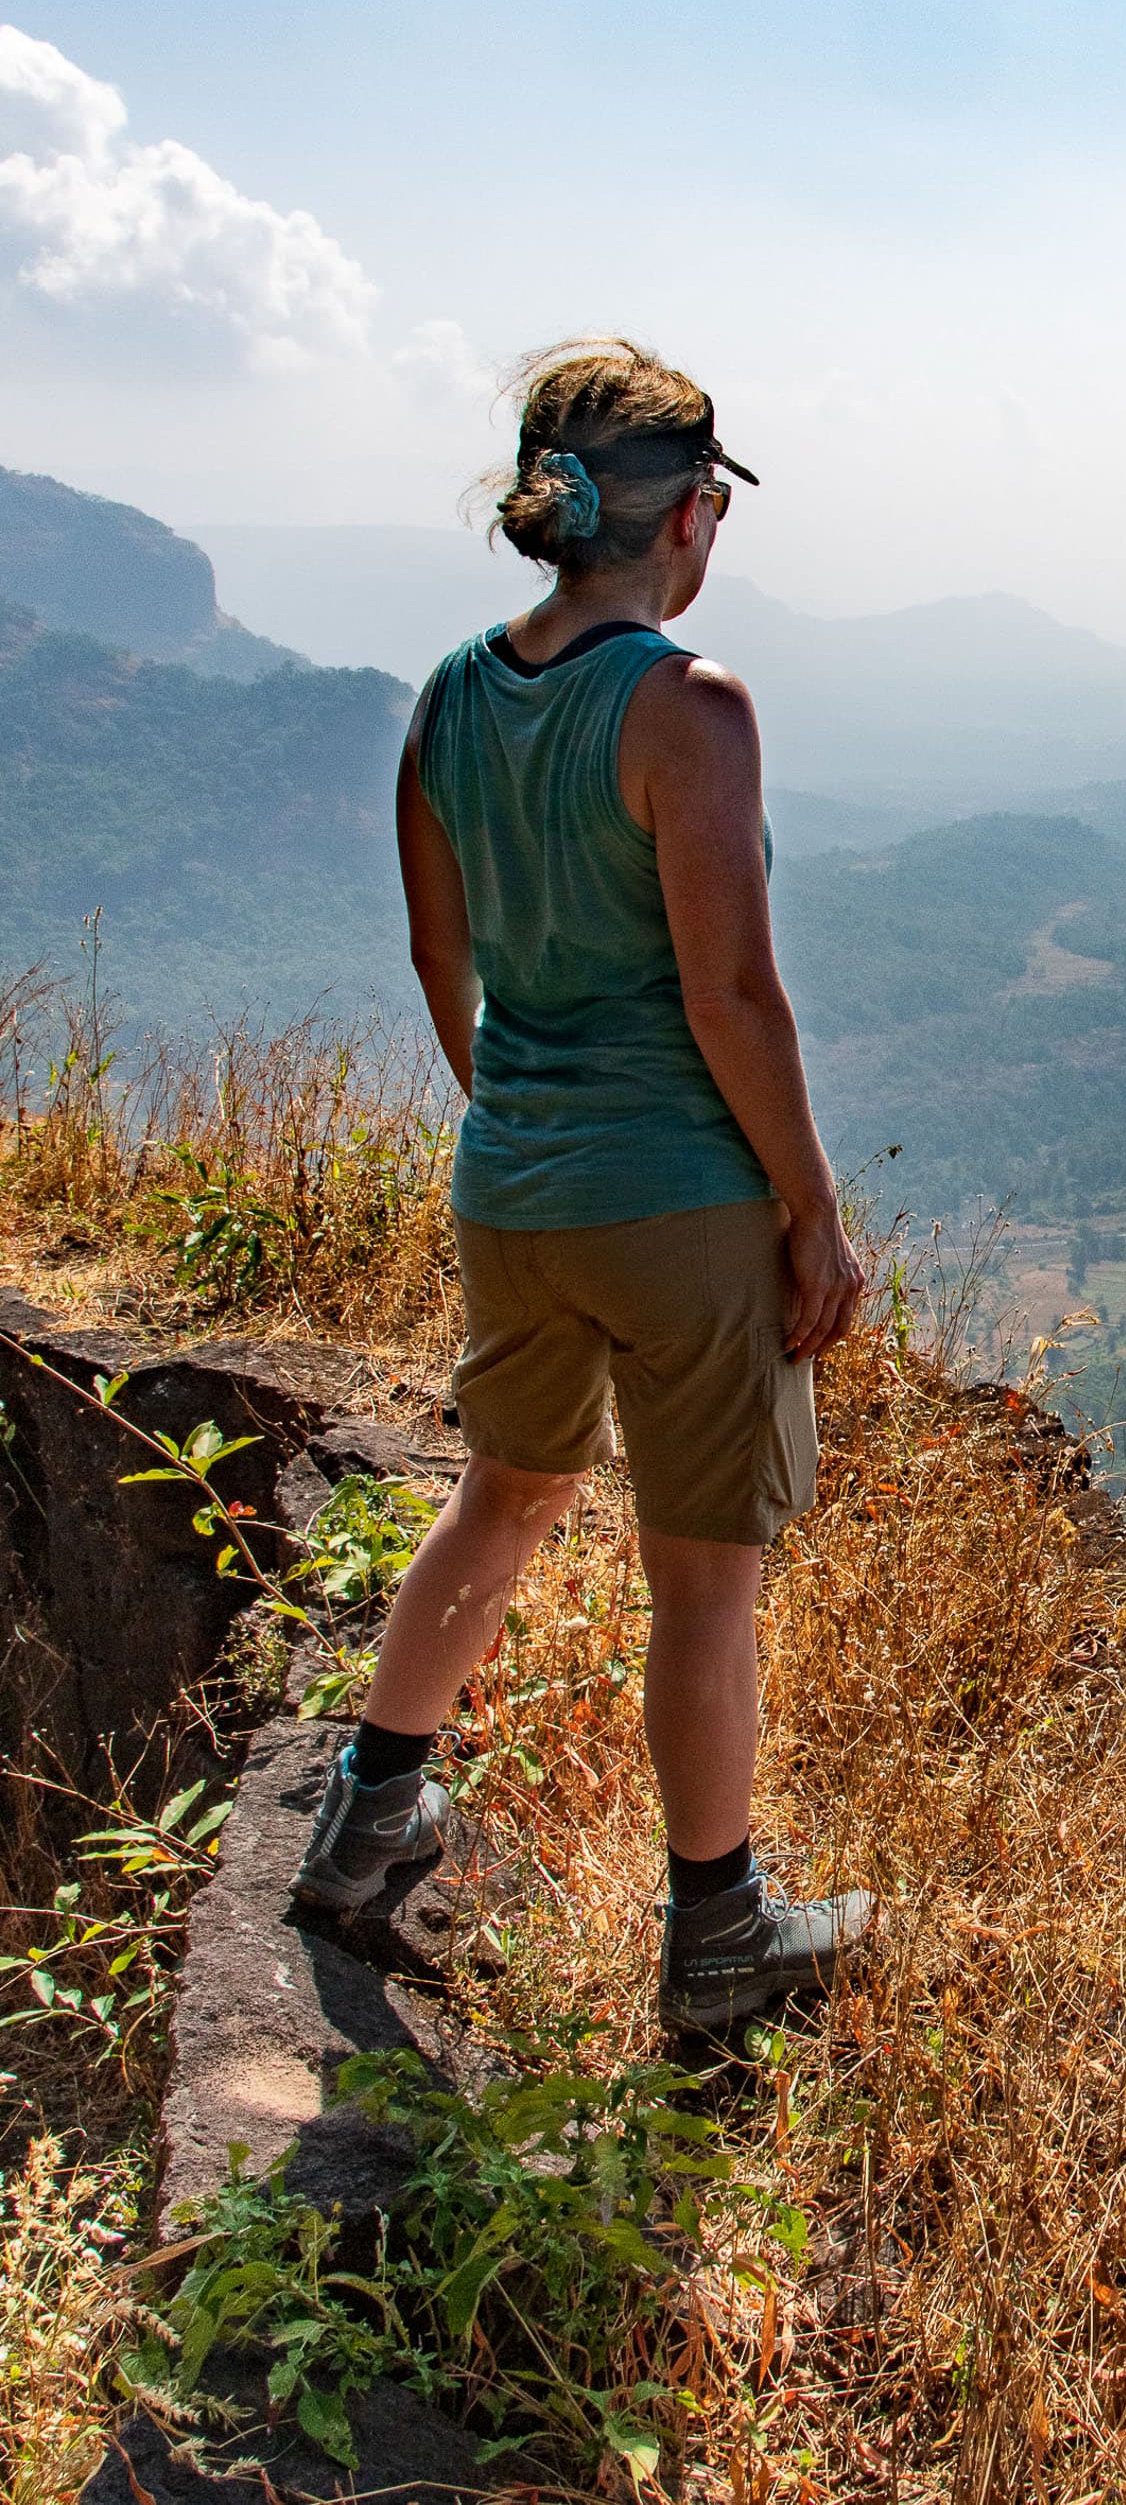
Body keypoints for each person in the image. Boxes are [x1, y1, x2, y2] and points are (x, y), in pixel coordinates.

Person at [292, 339, 872, 2036]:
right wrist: (812, 1209)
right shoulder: (689, 709)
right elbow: (731, 998)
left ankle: (366, 1815)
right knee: (701, 1581)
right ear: (688, 516)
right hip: (680, 1201)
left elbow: (437, 949)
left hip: (512, 1189)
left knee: (508, 1492)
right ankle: (718, 1939)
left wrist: (523, 1119)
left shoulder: (449, 699)